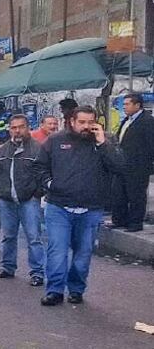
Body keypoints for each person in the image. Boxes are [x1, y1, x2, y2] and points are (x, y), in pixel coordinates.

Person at [35, 106, 125, 305]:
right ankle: (55, 291)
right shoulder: (55, 140)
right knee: (57, 251)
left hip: (91, 209)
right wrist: (50, 184)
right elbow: (40, 167)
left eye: (90, 122)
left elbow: (119, 166)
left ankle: (76, 289)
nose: (86, 126)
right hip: (59, 207)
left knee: (83, 253)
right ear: (72, 122)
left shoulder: (103, 143)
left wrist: (103, 143)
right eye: (82, 122)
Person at [0, 114, 45, 284]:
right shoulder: (1, 150)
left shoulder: (38, 149)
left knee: (34, 238)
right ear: (9, 129)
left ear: (28, 128)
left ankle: (37, 273)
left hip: (29, 200)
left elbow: (43, 173)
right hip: (6, 200)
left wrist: (37, 193)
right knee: (8, 236)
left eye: (21, 127)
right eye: (13, 127)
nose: (17, 131)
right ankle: (7, 267)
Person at [109, 92, 154, 232]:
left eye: (127, 104)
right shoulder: (127, 120)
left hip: (138, 166)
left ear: (137, 105)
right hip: (122, 164)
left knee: (136, 195)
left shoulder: (147, 121)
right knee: (118, 193)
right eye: (124, 104)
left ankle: (135, 223)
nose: (124, 107)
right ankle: (119, 220)